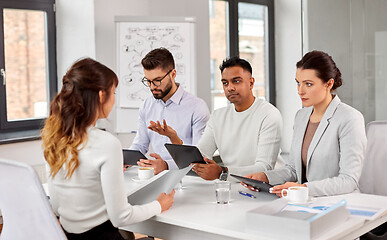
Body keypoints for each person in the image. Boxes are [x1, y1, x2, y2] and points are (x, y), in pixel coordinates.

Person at [41, 58, 175, 240]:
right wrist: (159, 204)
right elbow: (122, 216)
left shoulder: (53, 138)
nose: (114, 99)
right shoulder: (106, 143)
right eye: (113, 92)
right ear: (101, 96)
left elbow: (57, 207)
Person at [243, 50, 367, 197]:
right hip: (303, 202)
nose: (300, 91)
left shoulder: (350, 118)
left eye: (308, 84)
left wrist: (302, 188)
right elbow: (293, 169)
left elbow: (348, 180)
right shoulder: (301, 116)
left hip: (339, 203)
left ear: (329, 83)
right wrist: (265, 177)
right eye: (298, 83)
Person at [192, 56, 282, 180]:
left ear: (251, 83)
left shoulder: (269, 114)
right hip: (233, 185)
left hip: (267, 187)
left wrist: (222, 172)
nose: (230, 87)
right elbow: (201, 155)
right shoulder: (217, 116)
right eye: (225, 83)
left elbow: (264, 167)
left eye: (236, 81)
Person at [130, 48, 210, 174]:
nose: (152, 87)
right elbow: (140, 145)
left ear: (173, 74)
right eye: (148, 81)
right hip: (156, 176)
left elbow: (200, 157)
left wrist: (167, 165)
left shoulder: (197, 107)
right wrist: (126, 161)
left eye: (157, 80)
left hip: (189, 178)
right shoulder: (147, 105)